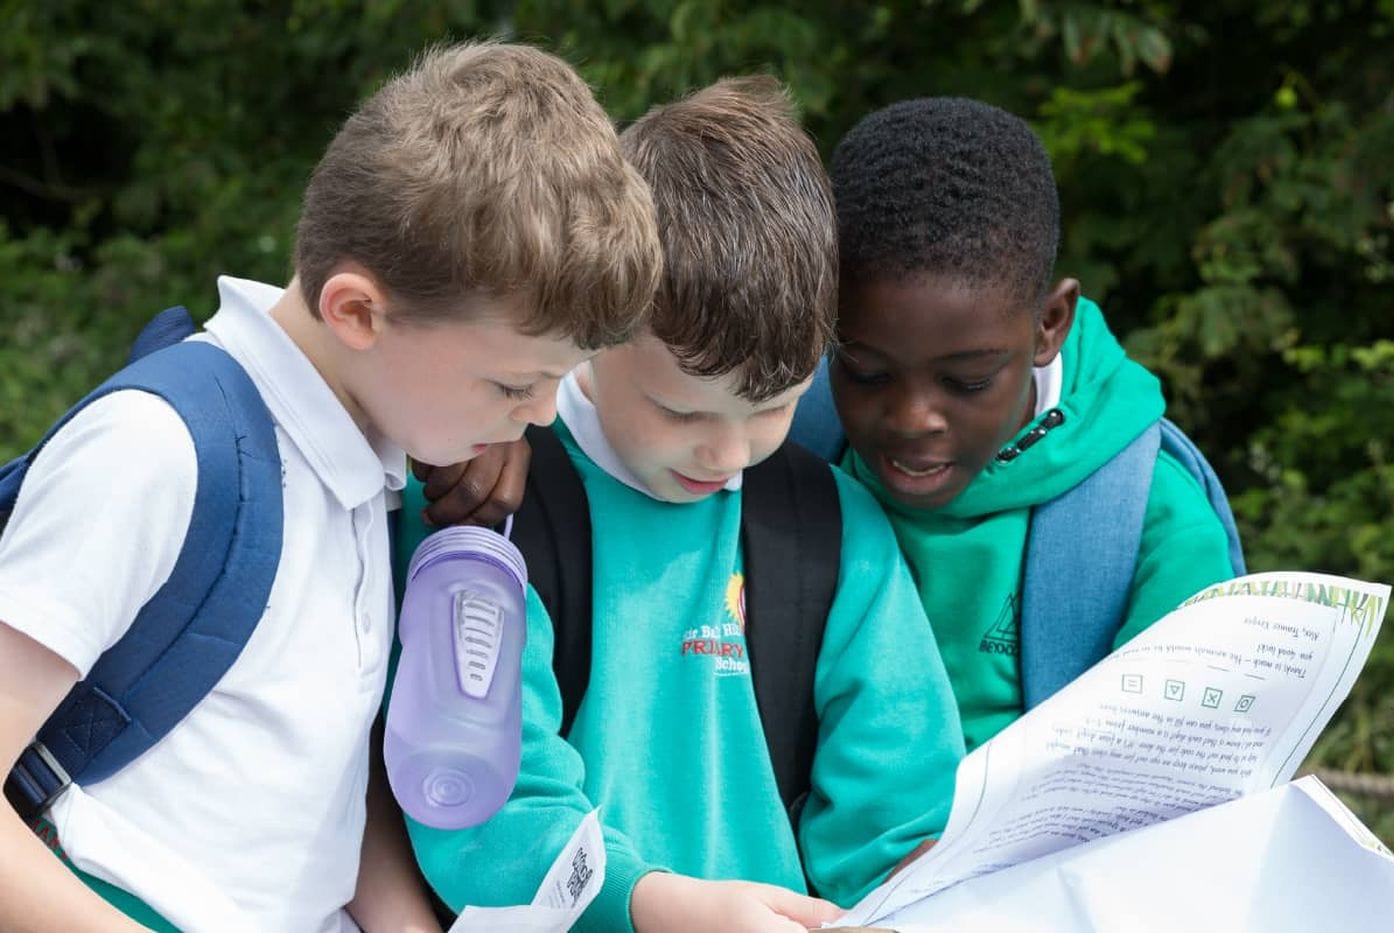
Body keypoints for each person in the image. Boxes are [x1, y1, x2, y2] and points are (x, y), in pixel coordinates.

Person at [0, 41, 660, 932]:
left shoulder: (366, 471)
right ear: (357, 311)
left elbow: (323, 797)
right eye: (514, 385)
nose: (542, 416)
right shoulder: (157, 450)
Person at [397, 77, 965, 933]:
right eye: (683, 411)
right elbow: (475, 810)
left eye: (772, 407)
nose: (730, 455)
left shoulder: (834, 528)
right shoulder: (481, 503)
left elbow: (900, 820)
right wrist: (656, 907)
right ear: (592, 319)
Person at [802, 96, 1238, 751]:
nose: (913, 418)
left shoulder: (1151, 524)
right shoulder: (776, 450)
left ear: (1049, 325)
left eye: (968, 380)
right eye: (865, 370)